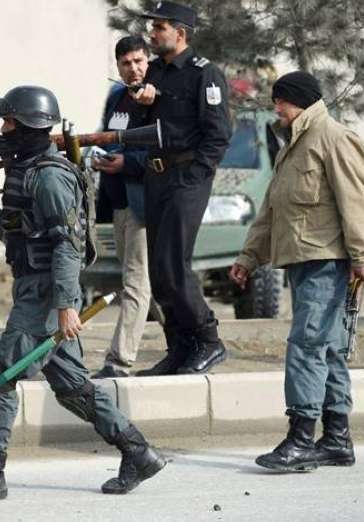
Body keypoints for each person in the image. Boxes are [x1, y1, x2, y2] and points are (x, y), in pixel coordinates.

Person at [0, 85, 165, 501]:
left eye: (9, 123)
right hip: (38, 289)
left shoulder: (49, 176)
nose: (3, 131)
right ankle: (138, 452)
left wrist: (64, 305)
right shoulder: (26, 170)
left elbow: (67, 246)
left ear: (30, 126)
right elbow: (12, 234)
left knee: (0, 375)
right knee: (73, 387)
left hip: (45, 296)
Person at [230, 71, 364, 471]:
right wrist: (248, 257)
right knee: (327, 348)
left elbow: (356, 201)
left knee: (307, 345)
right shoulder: (291, 147)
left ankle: (301, 439)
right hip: (302, 261)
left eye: (281, 101)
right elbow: (271, 213)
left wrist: (362, 255)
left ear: (300, 100)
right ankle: (337, 439)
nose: (276, 108)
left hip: (328, 261)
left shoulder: (334, 138)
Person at [132, 1, 233, 376]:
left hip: (186, 177)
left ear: (180, 33)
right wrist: (142, 102)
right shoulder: (155, 71)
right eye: (152, 27)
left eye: (159, 27)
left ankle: (208, 339)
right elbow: (142, 127)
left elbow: (218, 135)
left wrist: (195, 175)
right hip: (156, 176)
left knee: (174, 264)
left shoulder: (204, 74)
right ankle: (179, 347)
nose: (152, 33)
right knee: (158, 272)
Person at [90, 36, 152, 379]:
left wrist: (127, 163)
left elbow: (162, 148)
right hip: (118, 202)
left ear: (148, 61)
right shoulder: (116, 97)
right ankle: (188, 341)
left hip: (145, 202)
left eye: (139, 61)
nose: (133, 69)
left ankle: (119, 361)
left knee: (135, 282)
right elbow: (108, 137)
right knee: (145, 282)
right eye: (126, 63)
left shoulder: (155, 98)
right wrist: (97, 156)